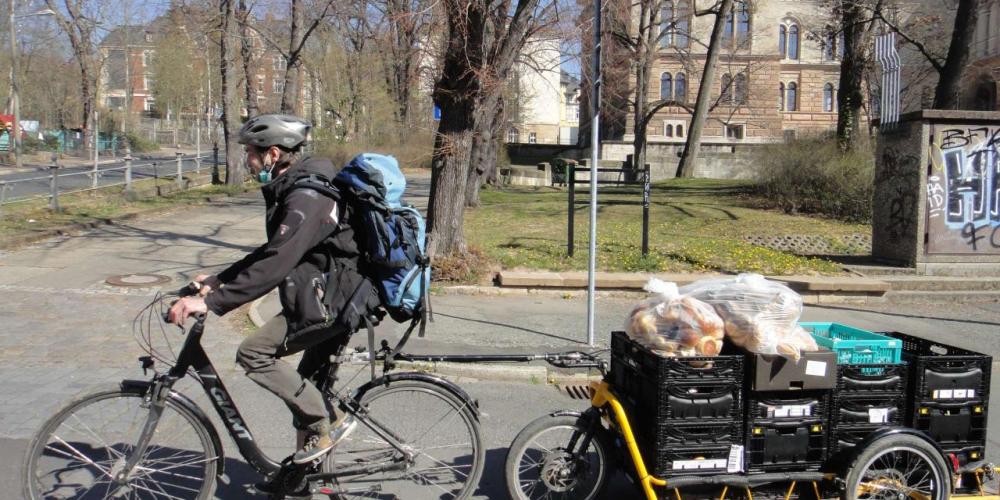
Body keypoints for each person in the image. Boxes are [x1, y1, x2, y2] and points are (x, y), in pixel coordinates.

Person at [168, 114, 374, 473]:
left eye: (250, 152)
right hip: (324, 294)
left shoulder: (308, 196)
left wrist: (211, 302)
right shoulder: (297, 187)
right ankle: (303, 480)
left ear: (273, 153)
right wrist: (220, 278)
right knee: (304, 389)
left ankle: (330, 421)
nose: (247, 159)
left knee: (254, 352)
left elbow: (278, 262)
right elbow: (273, 250)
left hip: (336, 300)